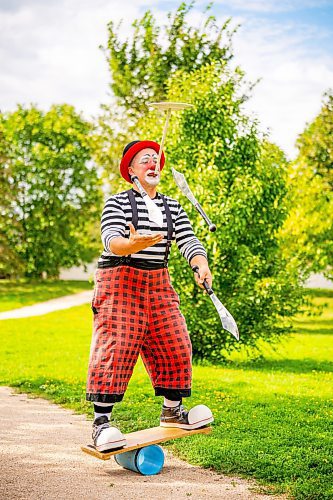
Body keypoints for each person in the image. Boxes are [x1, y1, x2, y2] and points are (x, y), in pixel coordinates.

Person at [86, 140, 213, 452]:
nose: (152, 164)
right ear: (131, 171)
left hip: (157, 283)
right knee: (116, 346)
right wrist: (131, 245)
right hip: (119, 282)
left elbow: (188, 240)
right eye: (145, 160)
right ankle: (101, 424)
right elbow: (111, 240)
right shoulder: (117, 203)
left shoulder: (172, 207)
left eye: (156, 159)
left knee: (175, 341)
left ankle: (173, 411)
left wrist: (201, 265)